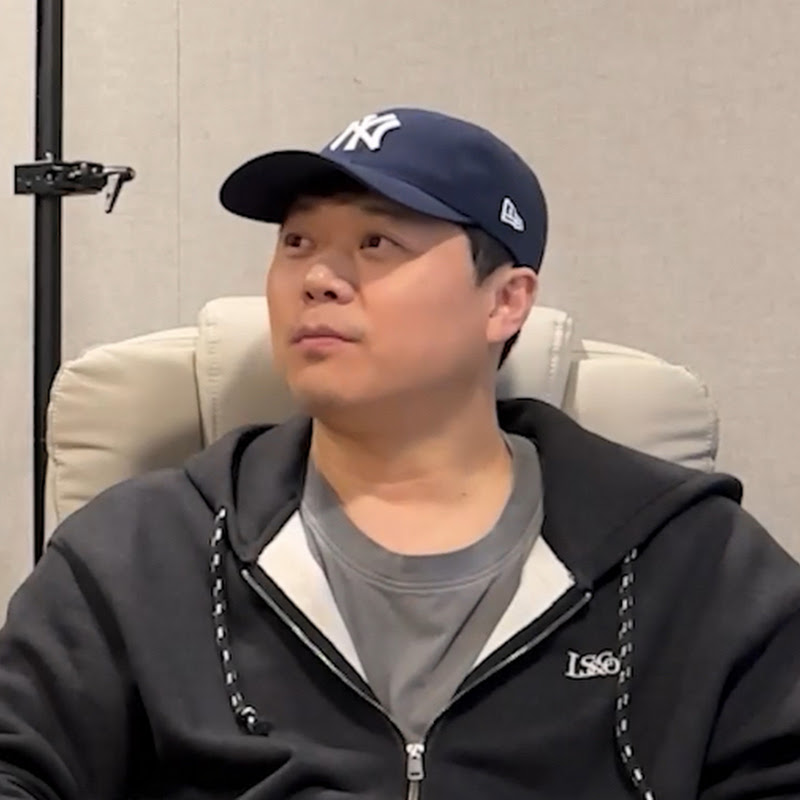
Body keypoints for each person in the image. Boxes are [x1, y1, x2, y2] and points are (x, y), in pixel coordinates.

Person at [1, 107, 799, 800]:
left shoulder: (696, 561)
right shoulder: (136, 553)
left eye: (375, 241)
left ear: (505, 300)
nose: (317, 277)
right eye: (296, 241)